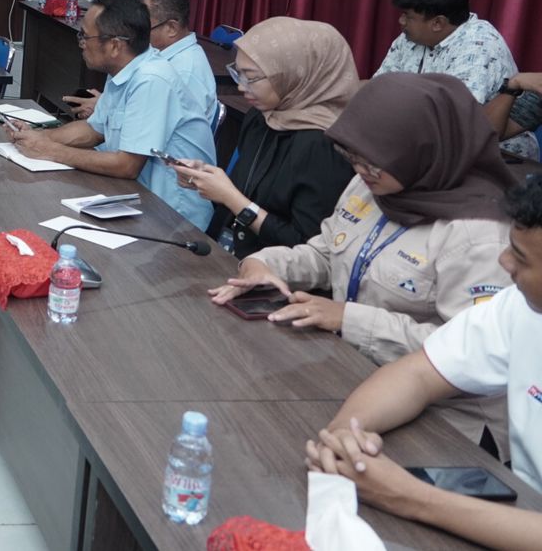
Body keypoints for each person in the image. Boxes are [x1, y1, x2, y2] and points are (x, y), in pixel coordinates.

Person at [210, 73, 515, 445]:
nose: (361, 171)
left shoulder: (479, 236)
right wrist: (267, 264)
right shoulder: (374, 184)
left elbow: (470, 351)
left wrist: (349, 319)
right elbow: (327, 252)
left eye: (375, 162)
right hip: (351, 373)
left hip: (448, 423)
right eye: (354, 158)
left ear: (424, 151)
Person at [305, 180, 542, 550]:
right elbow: (418, 374)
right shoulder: (519, 306)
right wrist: (346, 436)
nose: (504, 262)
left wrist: (407, 496)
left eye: (521, 258)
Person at [4, 0, 216, 229]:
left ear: (115, 45)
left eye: (85, 36)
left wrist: (50, 150)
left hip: (172, 218)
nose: (81, 43)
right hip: (134, 197)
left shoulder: (152, 79)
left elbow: (127, 165)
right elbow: (93, 129)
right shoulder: (124, 68)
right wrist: (37, 136)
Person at [169, 17, 358, 258]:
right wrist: (207, 179)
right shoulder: (262, 116)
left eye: (252, 77)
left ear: (294, 74)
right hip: (227, 250)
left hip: (274, 270)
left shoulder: (325, 145)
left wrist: (231, 197)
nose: (241, 87)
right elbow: (248, 189)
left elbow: (307, 248)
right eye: (238, 73)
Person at [374, 0, 515, 136]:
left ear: (438, 23)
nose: (401, 21)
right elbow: (380, 88)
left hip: (487, 147)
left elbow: (452, 119)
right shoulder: (411, 37)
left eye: (408, 16)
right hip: (418, 137)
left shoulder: (478, 45)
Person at [63, 0, 216, 122]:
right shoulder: (149, 56)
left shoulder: (184, 73)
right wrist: (105, 104)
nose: (135, 31)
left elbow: (155, 128)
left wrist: (104, 109)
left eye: (144, 26)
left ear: (171, 28)